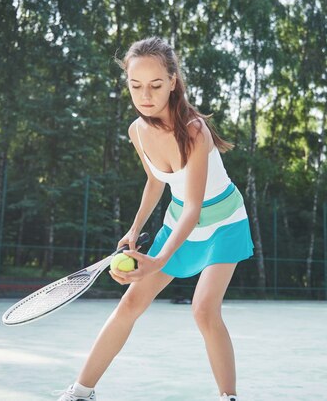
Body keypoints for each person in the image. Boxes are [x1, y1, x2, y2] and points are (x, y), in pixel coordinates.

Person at [56, 37, 254, 401]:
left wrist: (159, 260)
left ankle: (229, 397)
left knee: (204, 310)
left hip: (223, 225)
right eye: (135, 86)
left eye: (155, 85)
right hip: (178, 222)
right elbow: (154, 181)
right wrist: (133, 230)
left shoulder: (195, 130)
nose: (145, 95)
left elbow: (194, 206)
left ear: (173, 81)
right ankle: (80, 392)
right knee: (129, 304)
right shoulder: (137, 130)